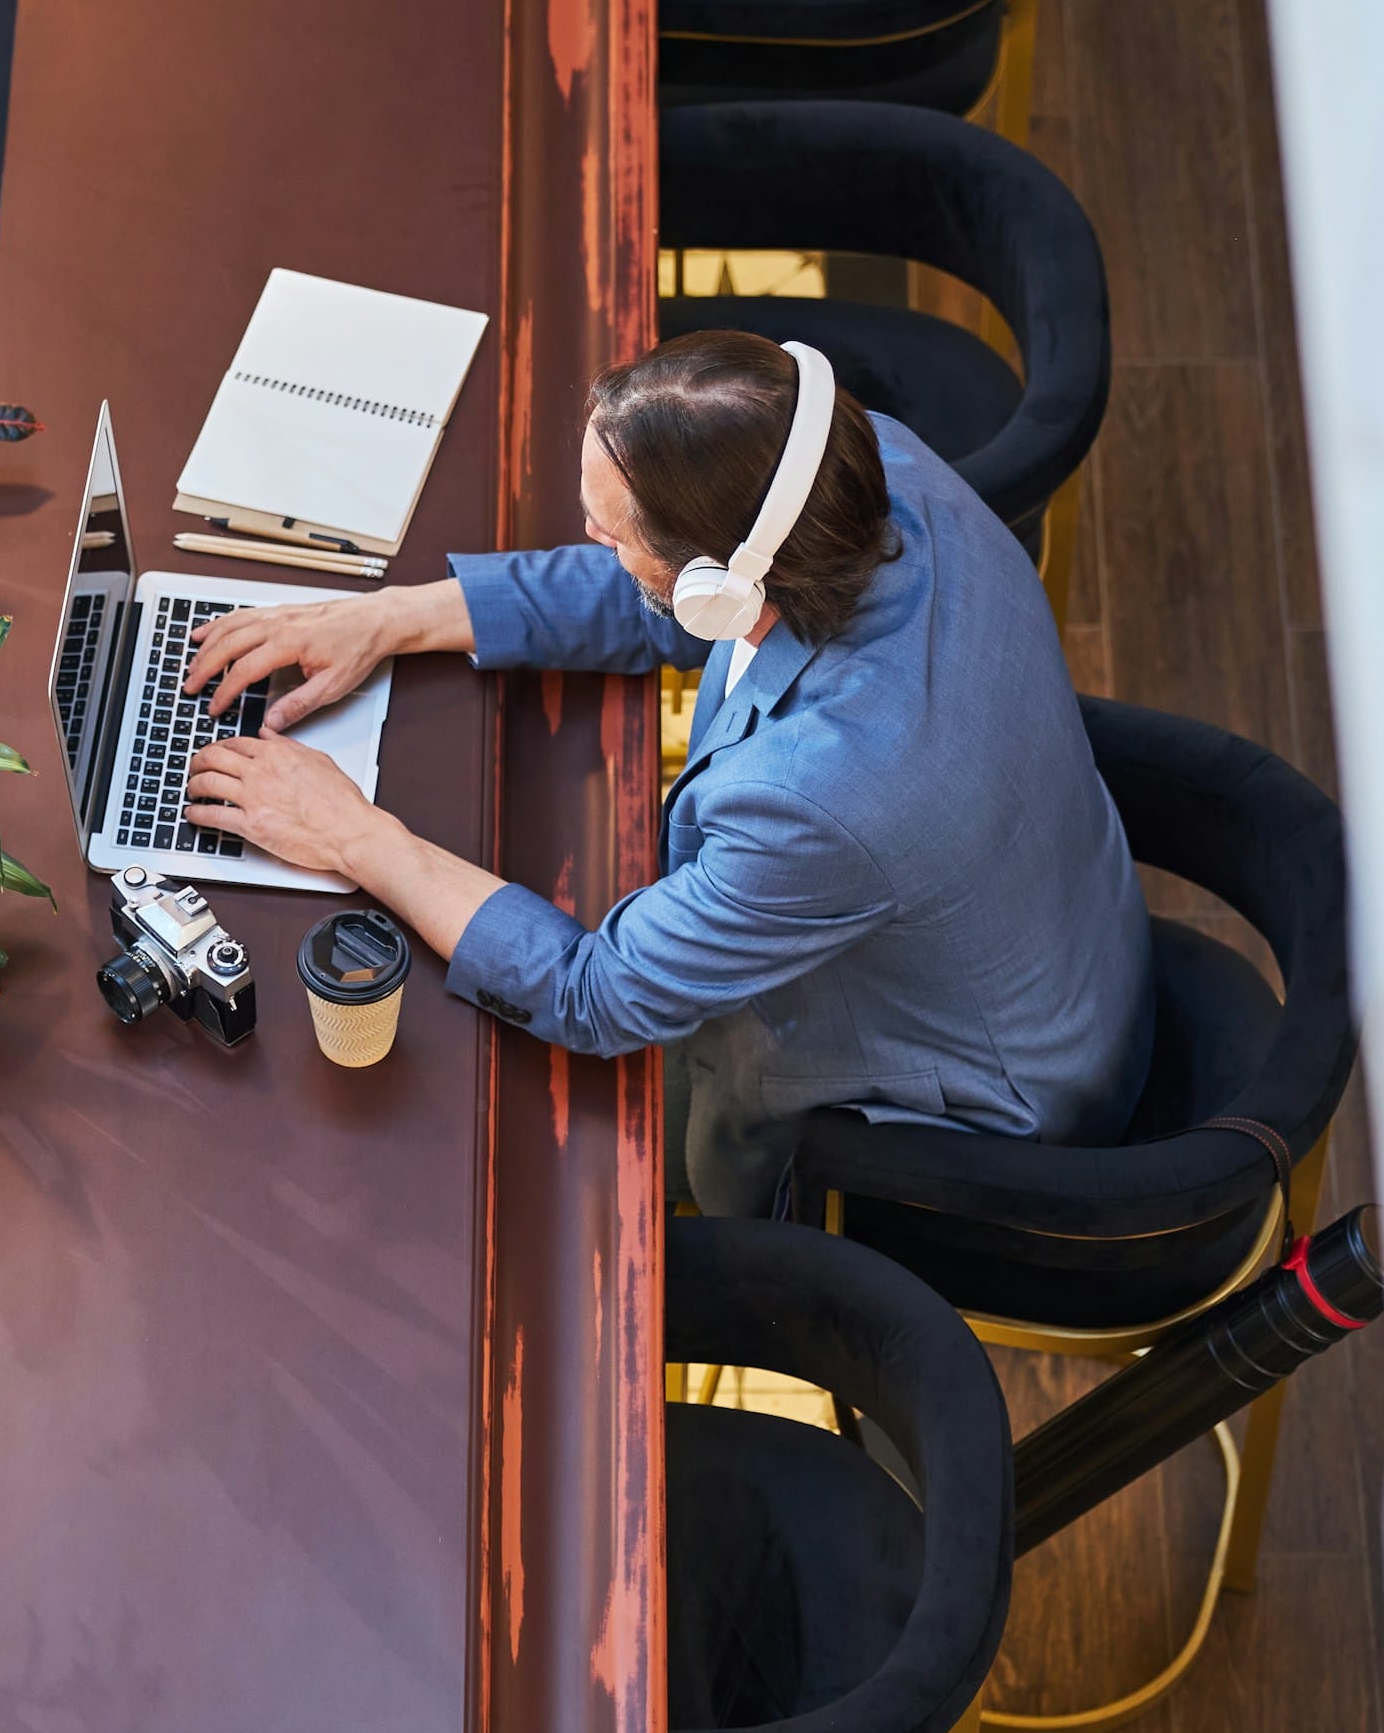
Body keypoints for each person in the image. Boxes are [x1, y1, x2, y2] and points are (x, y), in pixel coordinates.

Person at [182, 329, 1153, 1217]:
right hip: (1063, 926)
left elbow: (594, 995)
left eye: (614, 535)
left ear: (720, 578)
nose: (594, 542)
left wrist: (351, 834)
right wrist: (389, 618)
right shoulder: (865, 470)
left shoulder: (822, 796)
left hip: (991, 1095)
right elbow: (662, 596)